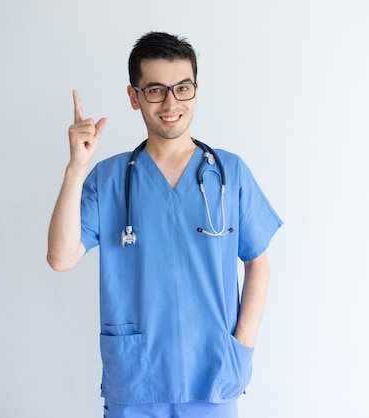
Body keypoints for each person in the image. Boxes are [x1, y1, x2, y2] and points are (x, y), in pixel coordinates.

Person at [47, 31, 283, 418]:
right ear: (134, 96)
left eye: (182, 87)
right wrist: (76, 168)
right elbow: (60, 257)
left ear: (196, 91)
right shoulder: (108, 179)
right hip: (137, 380)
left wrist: (242, 344)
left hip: (215, 377)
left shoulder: (230, 173)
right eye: (155, 89)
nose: (171, 102)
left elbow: (258, 261)